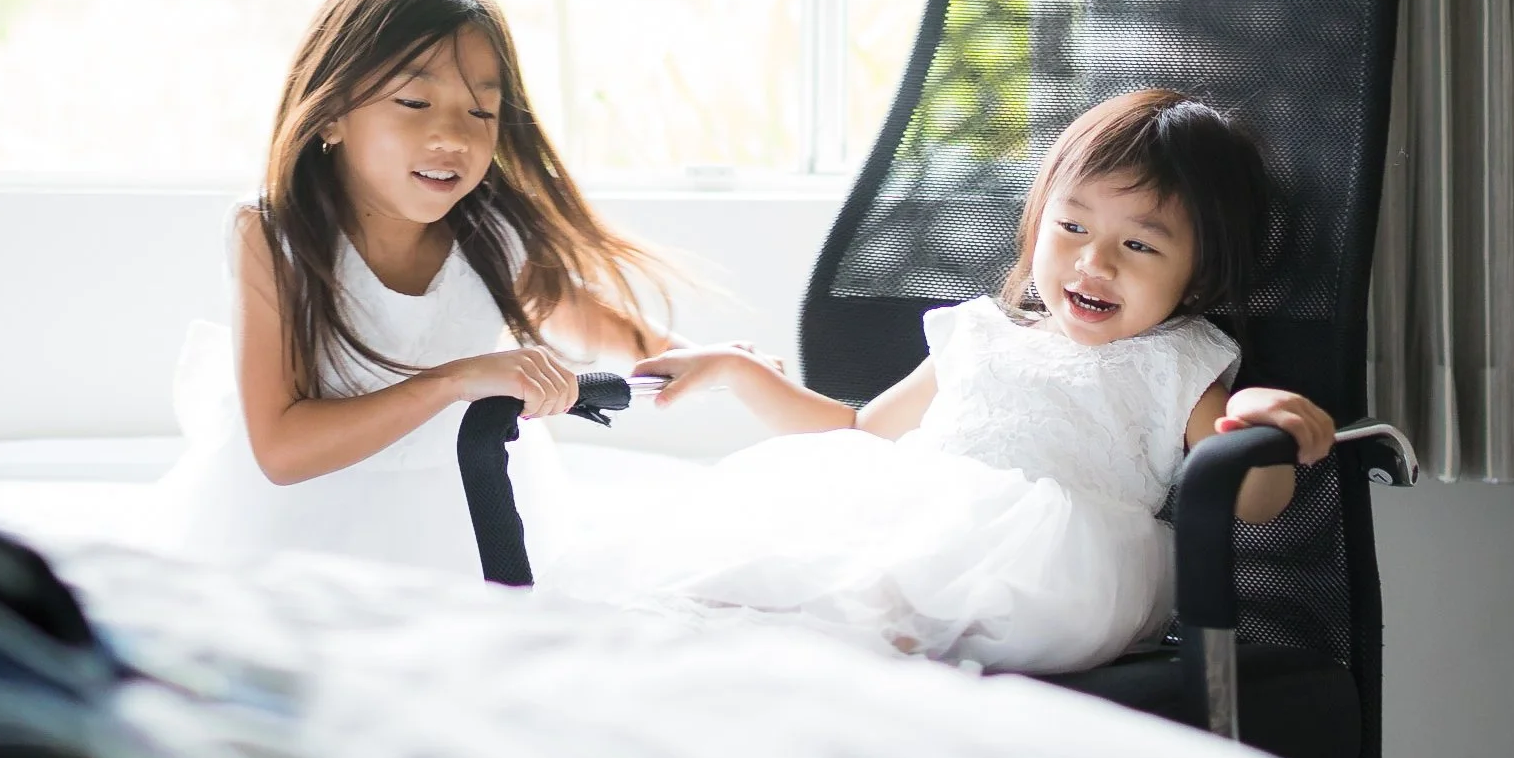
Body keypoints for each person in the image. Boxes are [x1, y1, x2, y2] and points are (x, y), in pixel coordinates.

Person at [542, 90, 1337, 675]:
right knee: (763, 568)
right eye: (1071, 228)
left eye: (1139, 246)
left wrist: (1255, 416)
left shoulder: (1179, 360)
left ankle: (862, 670)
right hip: (924, 522)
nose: (1093, 263)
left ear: (1197, 276)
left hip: (1056, 561)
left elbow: (1254, 500)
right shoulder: (981, 333)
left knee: (883, 603)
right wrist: (737, 372)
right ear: (1036, 223)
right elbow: (855, 433)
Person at [156, 0, 676, 577]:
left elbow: (604, 327)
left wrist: (704, 361)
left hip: (467, 506)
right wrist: (455, 380)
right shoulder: (273, 232)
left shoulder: (494, 234)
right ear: (330, 114)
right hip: (299, 529)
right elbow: (282, 450)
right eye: (413, 101)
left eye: (481, 112)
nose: (452, 136)